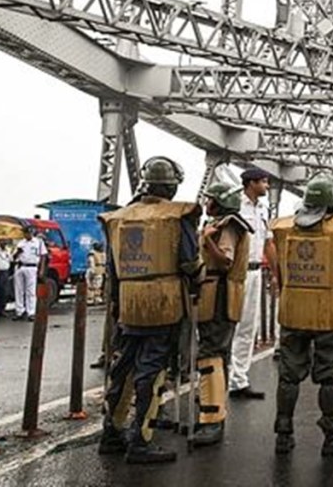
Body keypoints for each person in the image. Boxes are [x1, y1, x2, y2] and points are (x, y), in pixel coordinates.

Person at [97, 157, 202, 464]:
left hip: (129, 302)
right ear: (171, 186)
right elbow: (189, 261)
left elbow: (113, 268)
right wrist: (198, 277)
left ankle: (111, 432)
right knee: (152, 371)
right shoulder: (177, 215)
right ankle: (141, 440)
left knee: (124, 368)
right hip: (163, 302)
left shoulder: (118, 218)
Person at [269, 174, 333, 456]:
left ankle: (283, 433)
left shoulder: (283, 229)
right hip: (329, 314)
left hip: (293, 310)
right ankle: (330, 436)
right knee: (328, 375)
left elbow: (280, 268)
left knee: (288, 375)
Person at [190, 181, 252, 447]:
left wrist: (205, 240)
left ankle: (211, 420)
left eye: (210, 199)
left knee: (210, 354)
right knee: (218, 354)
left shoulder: (228, 226)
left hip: (219, 295)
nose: (207, 203)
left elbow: (225, 261)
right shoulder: (228, 223)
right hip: (220, 295)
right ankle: (214, 409)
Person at [229, 168, 276, 400]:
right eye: (264, 182)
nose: (267, 186)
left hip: (256, 270)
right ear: (251, 183)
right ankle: (222, 379)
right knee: (231, 324)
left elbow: (268, 244)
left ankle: (239, 379)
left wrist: (277, 273)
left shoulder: (263, 208)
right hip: (236, 271)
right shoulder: (234, 204)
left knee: (249, 326)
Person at [12, 226, 46, 321]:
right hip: (20, 266)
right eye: (24, 233)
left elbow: (43, 256)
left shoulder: (38, 242)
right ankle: (19, 311)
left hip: (32, 267)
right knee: (18, 290)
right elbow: (13, 257)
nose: (26, 235)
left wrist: (41, 269)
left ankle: (31, 312)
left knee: (30, 291)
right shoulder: (20, 243)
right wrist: (18, 252)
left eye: (27, 233)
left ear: (31, 233)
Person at [0, 239, 12, 317]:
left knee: (5, 292)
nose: (4, 243)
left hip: (6, 272)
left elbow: (11, 259)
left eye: (5, 242)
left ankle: (1, 309)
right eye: (2, 241)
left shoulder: (7, 250)